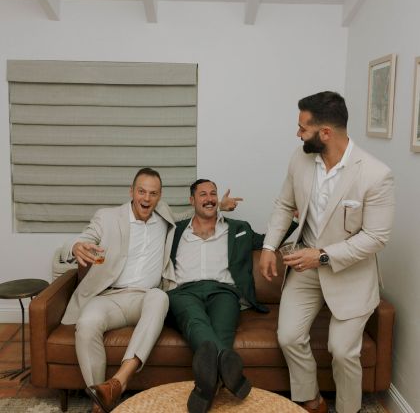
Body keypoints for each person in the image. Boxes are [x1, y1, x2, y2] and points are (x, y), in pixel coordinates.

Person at [60, 168, 240, 413]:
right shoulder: (108, 217)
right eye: (141, 192)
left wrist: (218, 205)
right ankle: (100, 398)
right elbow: (84, 237)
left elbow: (192, 211)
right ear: (131, 191)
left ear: (159, 196)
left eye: (153, 193)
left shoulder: (164, 216)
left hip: (144, 297)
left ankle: (119, 381)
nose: (146, 198)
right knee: (87, 324)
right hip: (108, 296)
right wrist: (76, 246)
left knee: (160, 297)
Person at [259, 91, 395, 413]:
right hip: (306, 268)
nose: (297, 134)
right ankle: (311, 401)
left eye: (302, 128)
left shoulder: (376, 175)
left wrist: (321, 255)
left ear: (325, 133)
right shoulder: (299, 158)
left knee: (343, 350)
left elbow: (376, 237)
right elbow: (284, 204)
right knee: (289, 337)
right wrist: (268, 246)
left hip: (350, 273)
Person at [168, 179, 297, 413]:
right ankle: (233, 376)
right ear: (191, 200)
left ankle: (205, 388)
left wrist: (295, 218)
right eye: (203, 194)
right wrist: (217, 207)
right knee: (194, 320)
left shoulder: (238, 229)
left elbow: (269, 240)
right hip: (185, 292)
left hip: (224, 292)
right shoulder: (175, 229)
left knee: (221, 331)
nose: (209, 198)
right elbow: (157, 210)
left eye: (213, 194)